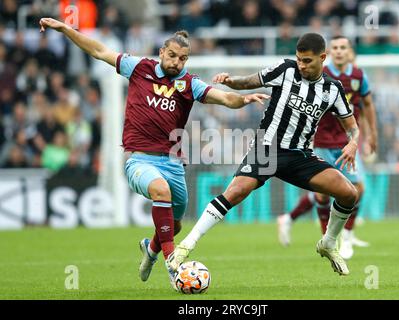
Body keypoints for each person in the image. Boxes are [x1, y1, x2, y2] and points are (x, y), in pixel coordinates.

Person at [39, 18, 269, 288]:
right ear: (161, 52)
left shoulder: (188, 84)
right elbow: (99, 51)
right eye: (172, 55)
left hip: (173, 163)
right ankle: (173, 264)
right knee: (161, 192)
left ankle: (151, 250)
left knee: (175, 225)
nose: (176, 62)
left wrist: (243, 99)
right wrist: (66, 29)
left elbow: (223, 97)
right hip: (139, 160)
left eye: (183, 58)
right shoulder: (139, 68)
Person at [168, 33, 361, 277]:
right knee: (236, 191)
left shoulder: (333, 89)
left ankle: (328, 243)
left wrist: (353, 143)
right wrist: (230, 80)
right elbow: (249, 82)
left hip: (300, 155)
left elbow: (352, 126)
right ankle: (187, 244)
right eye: (299, 59)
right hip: (267, 148)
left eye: (308, 61)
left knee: (349, 194)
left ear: (323, 58)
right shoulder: (285, 69)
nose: (301, 65)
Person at [277, 35, 378, 260]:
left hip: (347, 143)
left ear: (350, 51)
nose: (340, 51)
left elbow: (368, 104)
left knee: (357, 188)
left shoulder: (359, 76)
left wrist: (372, 134)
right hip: (321, 140)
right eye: (336, 47)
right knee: (323, 195)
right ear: (328, 52)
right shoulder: (321, 73)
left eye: (344, 47)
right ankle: (326, 238)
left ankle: (347, 238)